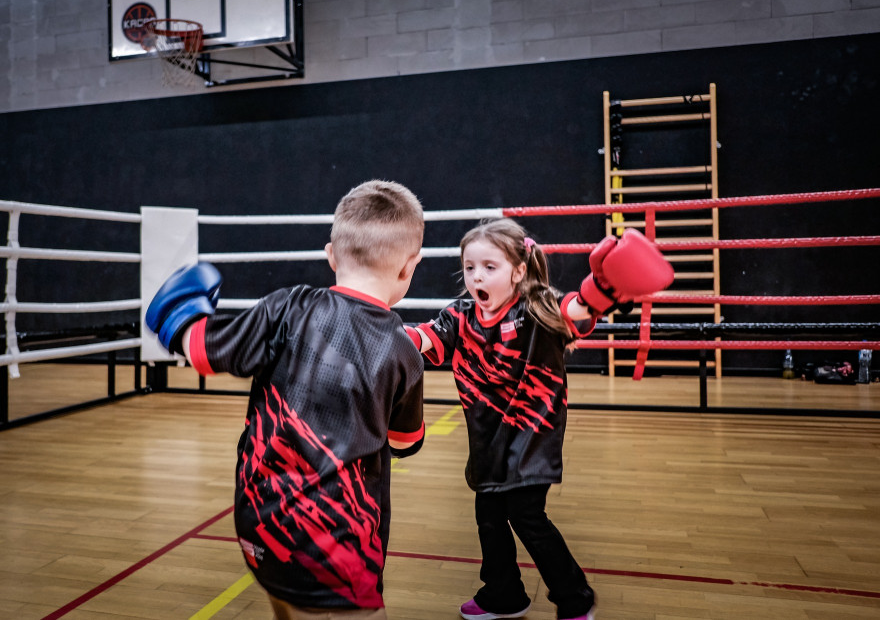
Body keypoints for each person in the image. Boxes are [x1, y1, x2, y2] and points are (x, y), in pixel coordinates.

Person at [144, 180, 428, 619]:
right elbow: (406, 441)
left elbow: (199, 349)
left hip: (259, 526)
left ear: (331, 254)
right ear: (411, 267)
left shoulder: (286, 307)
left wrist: (180, 318)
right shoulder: (402, 351)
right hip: (339, 548)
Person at [403, 220, 673, 620]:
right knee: (489, 517)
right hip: (486, 441)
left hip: (531, 438)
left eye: (489, 267)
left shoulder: (537, 309)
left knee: (527, 516)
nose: (477, 275)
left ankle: (575, 597)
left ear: (518, 271)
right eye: (470, 267)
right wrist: (382, 334)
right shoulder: (460, 315)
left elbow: (574, 311)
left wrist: (603, 290)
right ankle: (504, 594)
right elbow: (428, 338)